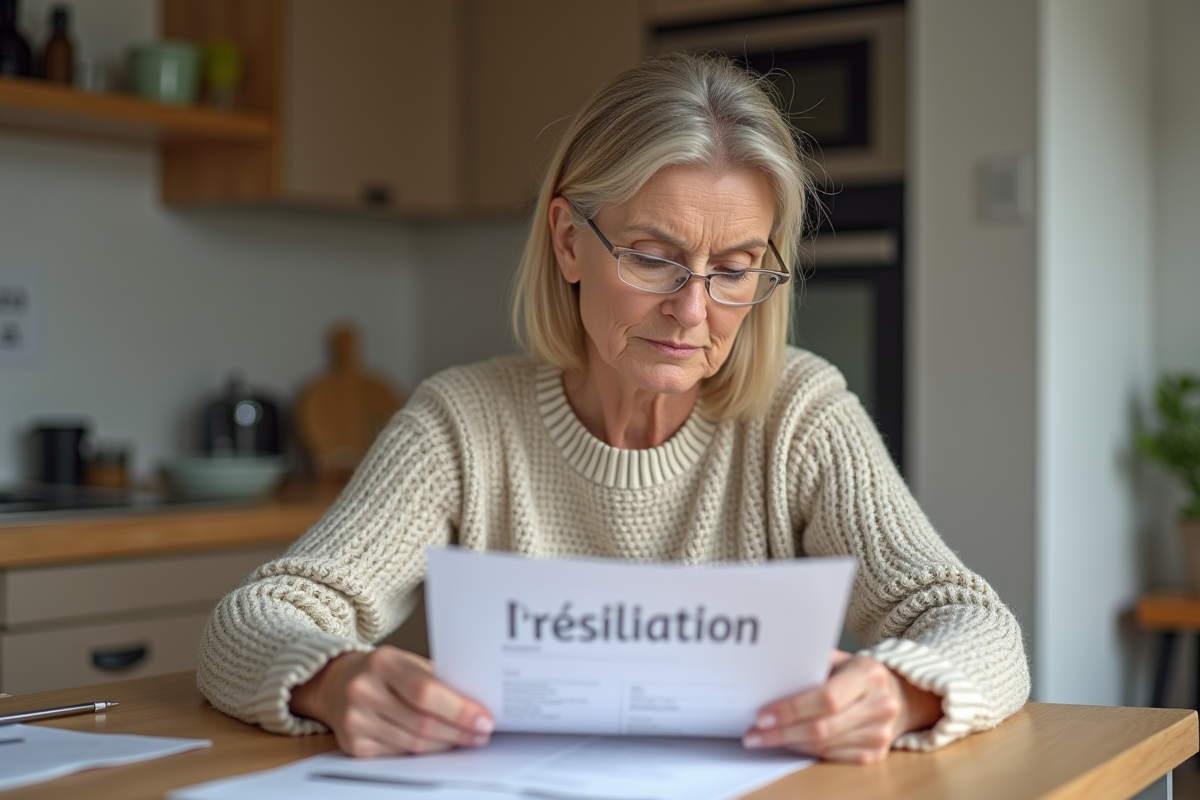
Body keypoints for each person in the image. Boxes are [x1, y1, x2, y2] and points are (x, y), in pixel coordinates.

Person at [197, 52, 1030, 764]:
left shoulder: (799, 416)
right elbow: (249, 625)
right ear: (568, 241)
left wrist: (902, 693)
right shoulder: (463, 423)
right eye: (652, 257)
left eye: (736, 268)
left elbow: (977, 627)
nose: (693, 311)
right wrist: (336, 681)